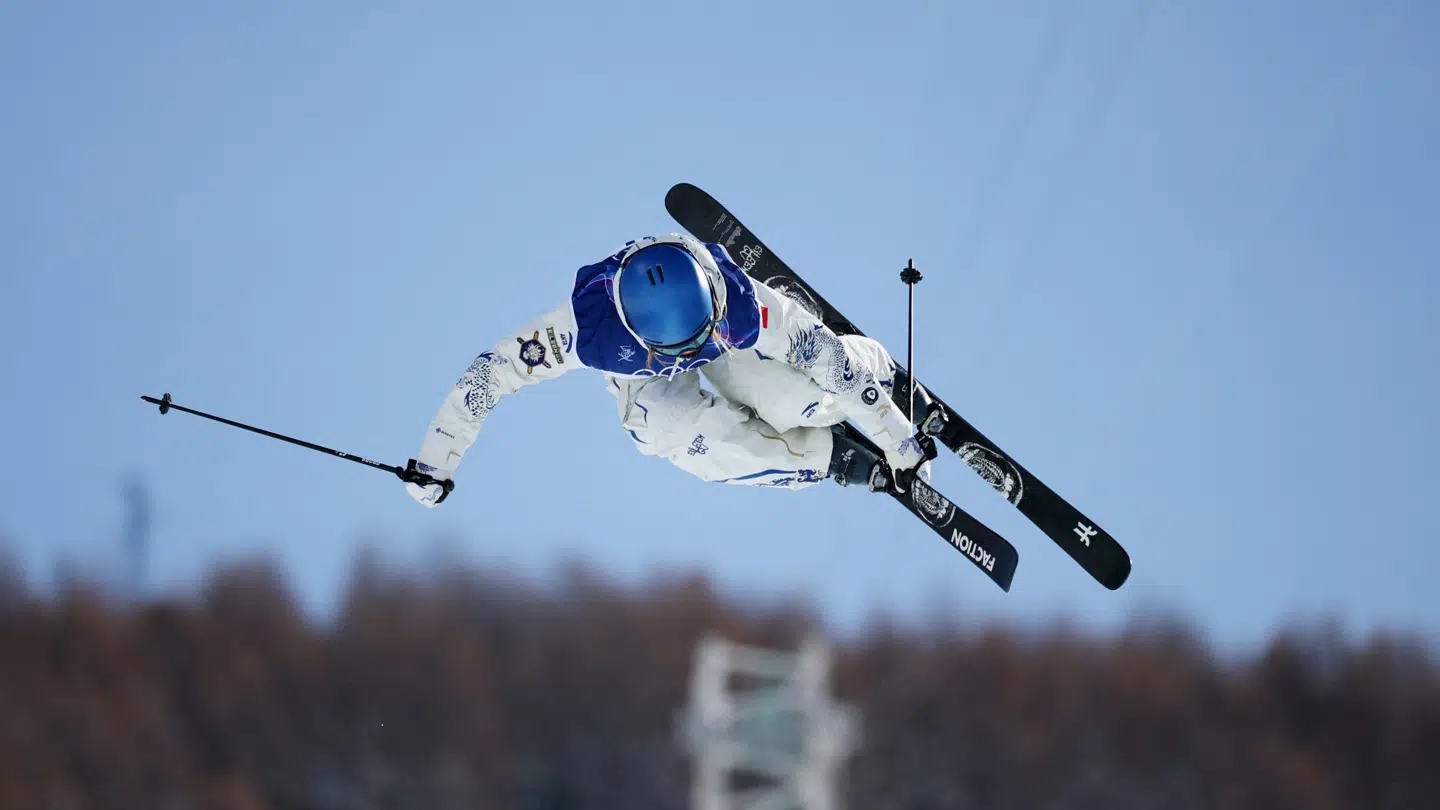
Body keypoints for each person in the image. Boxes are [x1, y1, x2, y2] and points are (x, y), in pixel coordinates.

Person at [405, 233, 932, 507]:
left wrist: (898, 437)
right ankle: (826, 457)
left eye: (695, 343)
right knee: (671, 432)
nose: (688, 355)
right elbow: (491, 374)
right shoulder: (583, 331)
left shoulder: (742, 305)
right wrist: (435, 461)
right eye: (677, 351)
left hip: (730, 335)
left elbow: (833, 365)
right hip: (641, 374)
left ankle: (877, 370)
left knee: (794, 400)